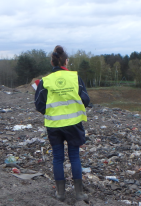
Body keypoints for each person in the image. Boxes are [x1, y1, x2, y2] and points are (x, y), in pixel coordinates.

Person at [34, 45, 90, 202]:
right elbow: (85, 99)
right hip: (73, 124)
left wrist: (52, 111)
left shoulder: (45, 81)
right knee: (74, 157)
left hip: (53, 126)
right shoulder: (75, 78)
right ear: (66, 61)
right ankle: (79, 194)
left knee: (58, 158)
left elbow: (39, 105)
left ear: (52, 63)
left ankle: (60, 194)